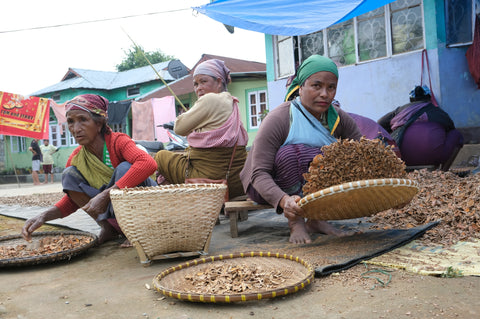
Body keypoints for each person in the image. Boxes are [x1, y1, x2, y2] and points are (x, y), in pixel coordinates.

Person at [240, 55, 362, 244]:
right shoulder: (280, 118)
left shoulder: (339, 119)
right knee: (292, 153)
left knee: (335, 157)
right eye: (316, 85)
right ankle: (296, 221)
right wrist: (284, 200)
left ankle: (317, 219)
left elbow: (362, 155)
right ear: (301, 86)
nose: (325, 94)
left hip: (306, 184)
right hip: (266, 187)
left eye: (331, 87)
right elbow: (259, 173)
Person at [22, 94, 158, 244]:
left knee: (124, 168)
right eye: (71, 122)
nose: (76, 128)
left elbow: (148, 164)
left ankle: (137, 231)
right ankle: (108, 228)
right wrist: (43, 216)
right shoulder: (77, 158)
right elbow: (74, 199)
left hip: (148, 208)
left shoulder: (118, 142)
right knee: (69, 175)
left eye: (83, 120)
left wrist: (107, 194)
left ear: (99, 123)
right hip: (113, 208)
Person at [154, 59, 248, 199]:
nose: (199, 88)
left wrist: (185, 114)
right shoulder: (232, 102)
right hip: (236, 182)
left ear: (219, 81)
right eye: (196, 84)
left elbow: (179, 128)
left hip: (211, 183)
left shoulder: (210, 100)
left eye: (203, 81)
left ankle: (190, 208)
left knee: (161, 157)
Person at [377, 85, 464, 171]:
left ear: (411, 100)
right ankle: (442, 172)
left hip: (402, 157)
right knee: (456, 134)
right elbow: (451, 127)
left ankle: (400, 169)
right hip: (433, 157)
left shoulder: (400, 110)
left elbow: (379, 124)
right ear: (429, 98)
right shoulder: (438, 112)